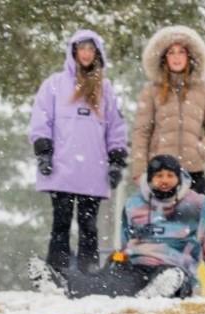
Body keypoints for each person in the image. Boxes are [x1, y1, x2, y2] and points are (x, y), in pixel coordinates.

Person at [30, 154, 205, 299]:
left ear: (179, 178)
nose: (164, 181)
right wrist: (120, 259)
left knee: (172, 277)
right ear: (150, 180)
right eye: (159, 176)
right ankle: (63, 285)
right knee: (105, 280)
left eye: (170, 175)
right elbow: (128, 241)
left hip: (174, 265)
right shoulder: (135, 205)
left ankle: (160, 289)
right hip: (137, 265)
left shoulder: (199, 206)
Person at [29, 29, 128, 274]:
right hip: (62, 165)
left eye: (90, 49)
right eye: (82, 49)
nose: (86, 54)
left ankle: (88, 272)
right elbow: (41, 119)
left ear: (97, 54)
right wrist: (44, 152)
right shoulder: (54, 84)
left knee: (88, 225)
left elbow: (116, 126)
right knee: (61, 222)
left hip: (93, 168)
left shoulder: (105, 88)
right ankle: (57, 270)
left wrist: (116, 160)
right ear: (74, 51)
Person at [131, 25, 205, 195]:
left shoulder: (203, 90)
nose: (176, 57)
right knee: (159, 222)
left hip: (193, 170)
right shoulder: (152, 90)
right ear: (164, 57)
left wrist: (203, 149)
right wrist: (139, 168)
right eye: (171, 52)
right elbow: (141, 132)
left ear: (189, 56)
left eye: (181, 52)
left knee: (197, 220)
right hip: (160, 173)